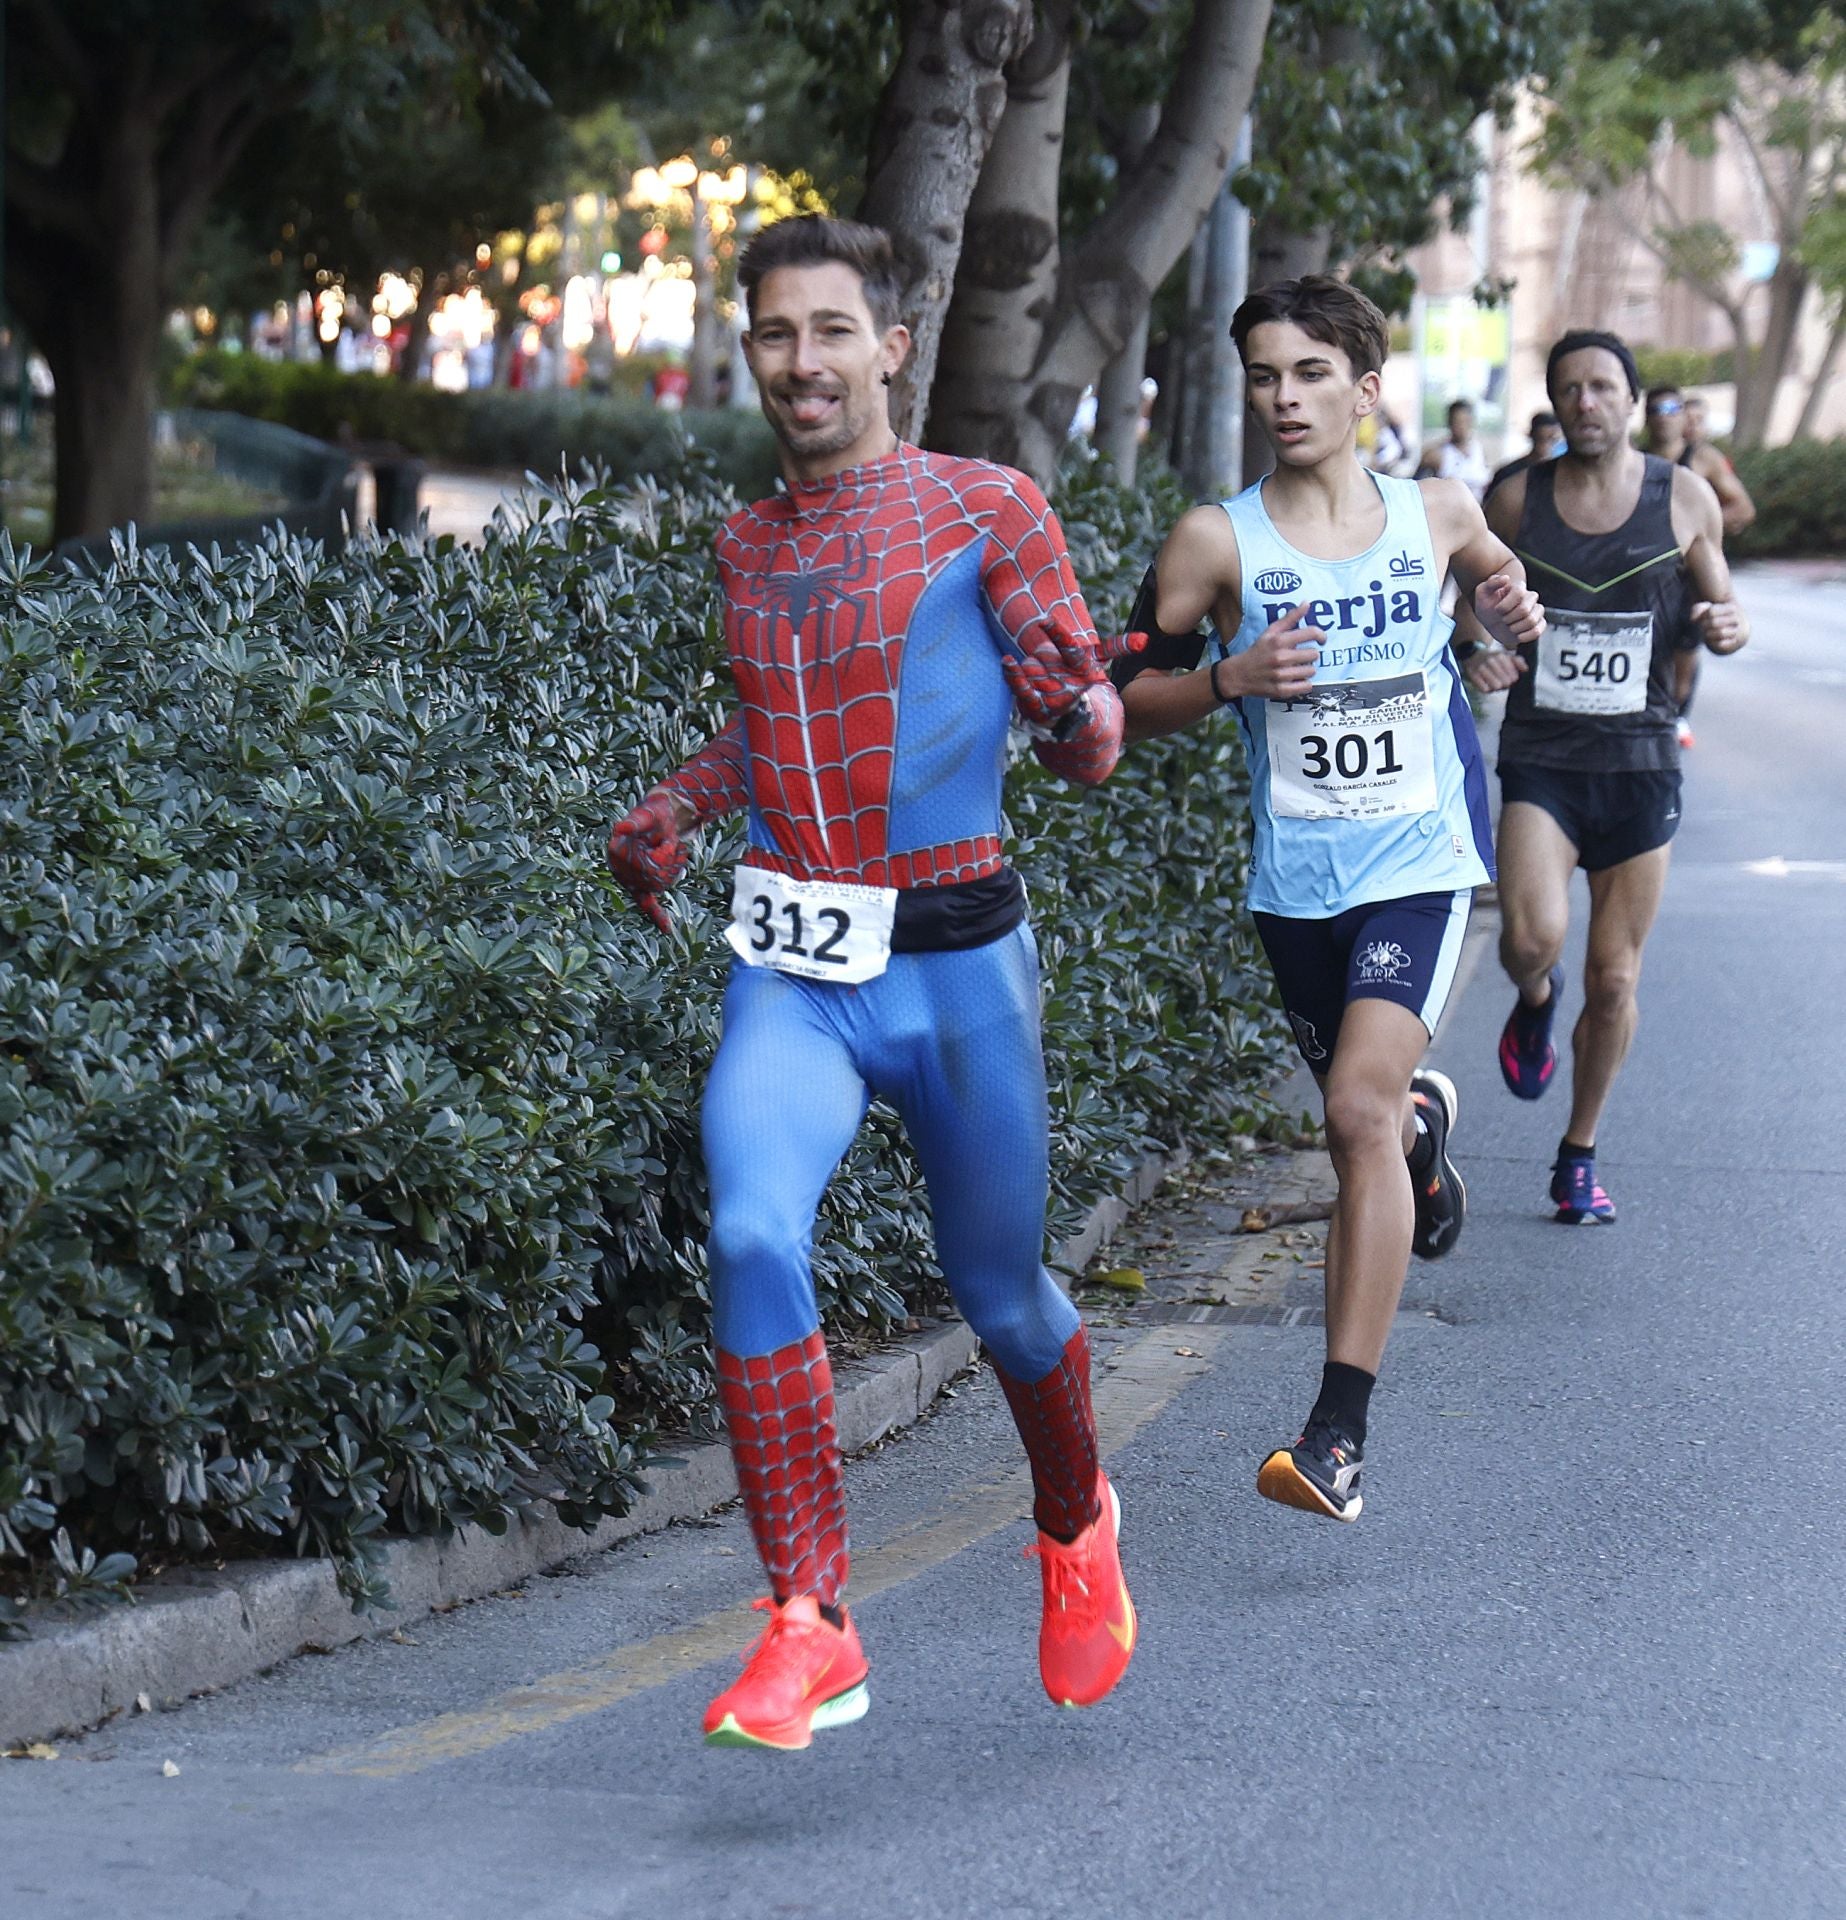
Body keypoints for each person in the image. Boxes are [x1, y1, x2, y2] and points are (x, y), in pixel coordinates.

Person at [605, 215, 1139, 1751]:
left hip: (958, 968)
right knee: (749, 1229)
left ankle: (1075, 1521)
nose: (803, 361)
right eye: (776, 333)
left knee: (1003, 1295)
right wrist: (679, 806)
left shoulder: (986, 507)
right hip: (796, 972)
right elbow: (779, 728)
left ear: (892, 346)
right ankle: (810, 1622)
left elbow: (1077, 719)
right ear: (749, 352)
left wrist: (1079, 716)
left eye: (831, 329)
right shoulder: (746, 545)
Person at [1113, 275, 1543, 1524]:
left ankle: (1336, 1437)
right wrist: (1228, 679)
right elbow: (1114, 705)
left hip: (1420, 866)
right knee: (1373, 1124)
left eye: (1309, 374)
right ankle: (1420, 1140)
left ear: (1364, 390)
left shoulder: (1436, 510)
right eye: (1264, 375)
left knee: (1352, 1113)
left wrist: (1500, 624)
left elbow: (1500, 594)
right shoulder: (1214, 543)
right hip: (1296, 888)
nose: (1284, 397)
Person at [1457, 332, 1747, 1225]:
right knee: (1528, 941)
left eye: (1603, 386)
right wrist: (1474, 650)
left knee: (1616, 979)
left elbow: (1724, 604)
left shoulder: (1683, 496)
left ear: (1631, 399)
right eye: (1570, 388)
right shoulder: (1516, 499)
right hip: (1545, 759)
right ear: (1554, 402)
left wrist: (1724, 625)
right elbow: (1460, 596)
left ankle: (1578, 1154)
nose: (1586, 402)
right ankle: (1535, 999)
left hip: (1642, 763)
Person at [1642, 386, 1756, 746]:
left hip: (1692, 578)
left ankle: (1676, 717)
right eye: (1656, 409)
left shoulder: (1703, 458)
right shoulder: (1634, 460)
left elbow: (1743, 507)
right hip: (1647, 577)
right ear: (1645, 416)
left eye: (1671, 408)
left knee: (1684, 660)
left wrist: (1697, 527)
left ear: (1682, 416)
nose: (1664, 416)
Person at [1418, 398, 1490, 500]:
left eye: (1465, 421)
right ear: (1449, 423)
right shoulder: (1435, 455)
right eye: (1457, 422)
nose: (1461, 427)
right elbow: (1416, 489)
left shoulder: (1480, 450)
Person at [1486, 410, 1563, 499]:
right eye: (1540, 438)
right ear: (1531, 435)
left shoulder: (1562, 475)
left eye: (1551, 439)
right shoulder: (1507, 474)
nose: (1545, 446)